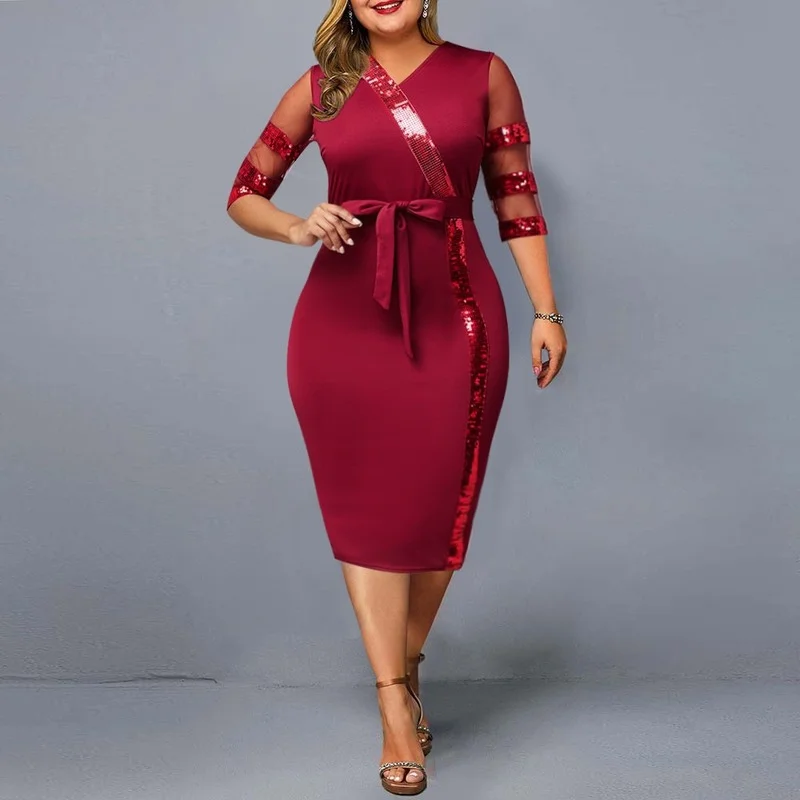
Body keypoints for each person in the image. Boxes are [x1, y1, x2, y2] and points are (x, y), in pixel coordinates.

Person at [226, 0, 567, 794]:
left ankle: (405, 662)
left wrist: (546, 310)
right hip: (341, 322)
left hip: (458, 310)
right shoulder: (322, 86)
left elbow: (515, 198)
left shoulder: (483, 75)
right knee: (364, 510)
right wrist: (296, 226)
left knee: (440, 502)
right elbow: (245, 190)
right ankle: (392, 704)